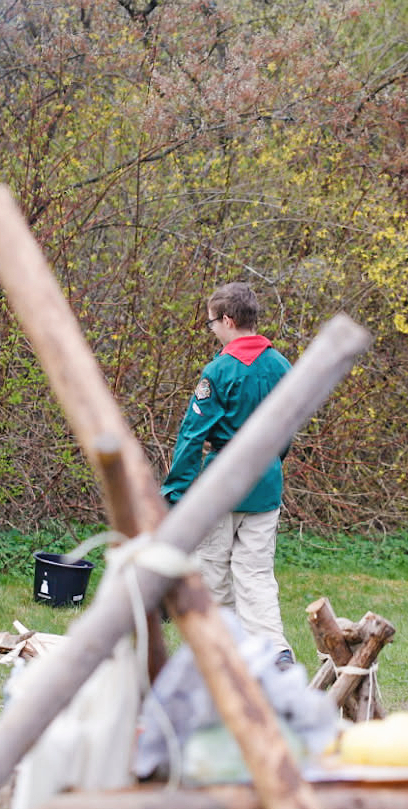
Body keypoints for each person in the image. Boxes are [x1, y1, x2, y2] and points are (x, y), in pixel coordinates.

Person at [160, 281, 295, 667]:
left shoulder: (218, 371)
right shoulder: (282, 367)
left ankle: (225, 650)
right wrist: (270, 463)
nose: (212, 330)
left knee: (214, 570)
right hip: (266, 487)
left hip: (221, 488)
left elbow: (192, 436)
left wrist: (176, 493)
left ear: (229, 320)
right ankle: (274, 650)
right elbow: (287, 430)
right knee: (256, 573)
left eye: (211, 323)